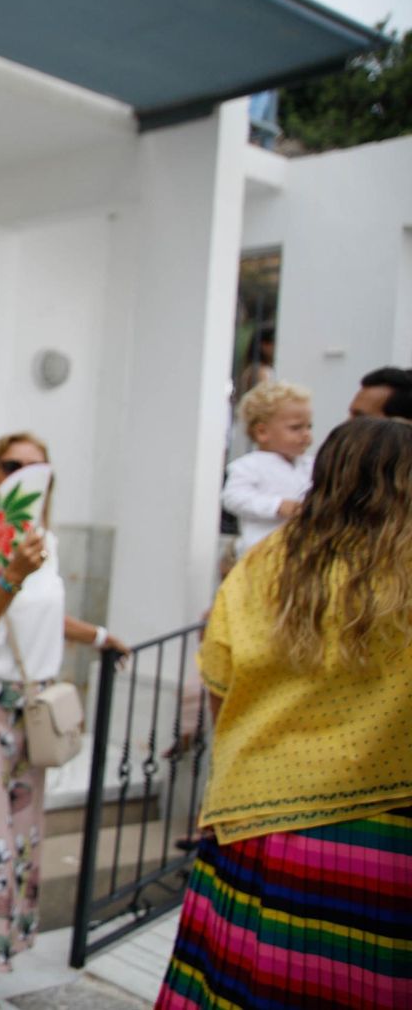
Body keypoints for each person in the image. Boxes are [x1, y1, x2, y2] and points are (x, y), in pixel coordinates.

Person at [156, 416, 412, 1010]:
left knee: (243, 984)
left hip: (257, 817)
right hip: (386, 829)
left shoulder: (265, 562)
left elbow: (219, 681)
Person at [0, 432, 130, 1010]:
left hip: (30, 704)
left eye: (37, 468)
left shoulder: (44, 543)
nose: (21, 477)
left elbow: (41, 615)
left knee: (18, 840)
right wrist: (11, 574)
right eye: (11, 465)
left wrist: (98, 635)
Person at [222, 380, 313, 559]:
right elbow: (233, 498)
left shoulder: (311, 465)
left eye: (309, 426)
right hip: (260, 552)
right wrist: (276, 506)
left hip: (299, 552)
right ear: (262, 432)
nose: (306, 434)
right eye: (296, 428)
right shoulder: (249, 466)